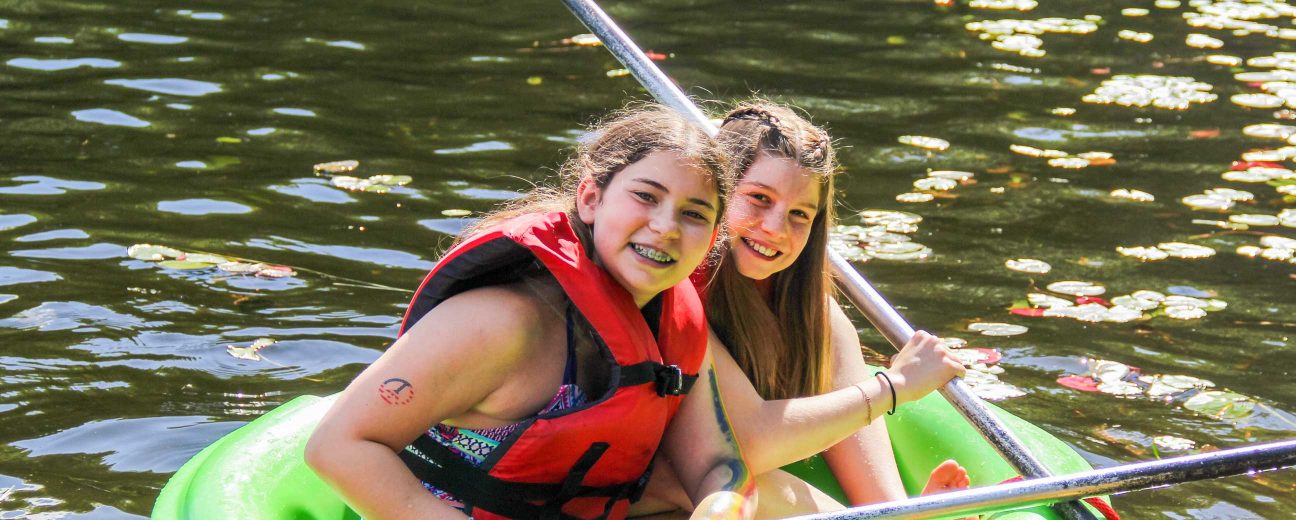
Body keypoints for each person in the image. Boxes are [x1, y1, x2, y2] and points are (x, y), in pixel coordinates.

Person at [306, 105, 757, 520]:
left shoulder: (675, 322)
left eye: (694, 214)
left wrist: (721, 508)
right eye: (645, 196)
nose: (665, 228)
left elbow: (718, 464)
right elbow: (337, 445)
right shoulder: (501, 324)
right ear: (590, 200)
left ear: (715, 235)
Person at [634, 101, 973, 517]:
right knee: (748, 483)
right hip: (645, 488)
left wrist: (893, 509)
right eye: (758, 198)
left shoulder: (815, 316)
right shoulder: (674, 287)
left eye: (799, 214)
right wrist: (895, 385)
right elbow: (742, 444)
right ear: (715, 191)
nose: (775, 228)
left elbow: (870, 484)